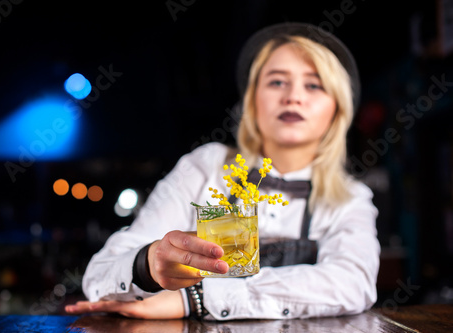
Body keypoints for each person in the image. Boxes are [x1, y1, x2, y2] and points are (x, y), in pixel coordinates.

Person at [65, 22, 380, 320]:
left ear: (337, 110)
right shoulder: (206, 167)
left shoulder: (351, 198)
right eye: (276, 81)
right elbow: (99, 278)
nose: (293, 96)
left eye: (314, 85)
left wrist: (196, 298)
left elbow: (353, 284)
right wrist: (147, 265)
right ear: (252, 102)